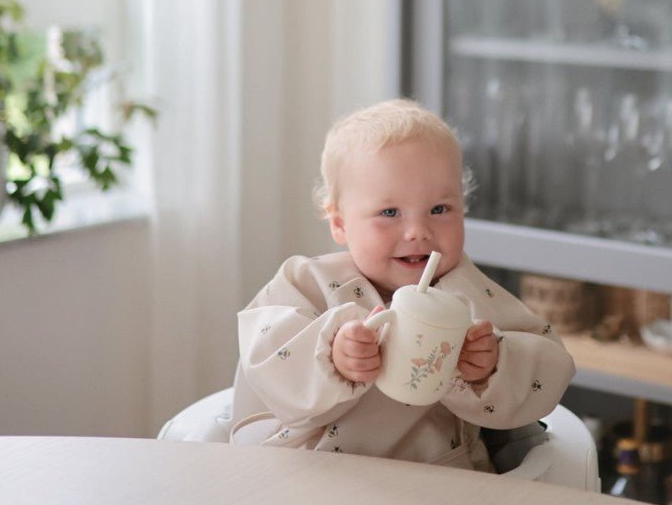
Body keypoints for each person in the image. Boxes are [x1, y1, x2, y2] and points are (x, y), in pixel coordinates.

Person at [230, 98, 575, 471]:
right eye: (390, 213)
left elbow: (548, 364)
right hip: (321, 476)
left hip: (442, 480)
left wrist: (491, 366)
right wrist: (332, 357)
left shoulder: (470, 292)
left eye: (440, 210)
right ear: (340, 223)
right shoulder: (308, 282)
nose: (417, 232)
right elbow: (267, 362)